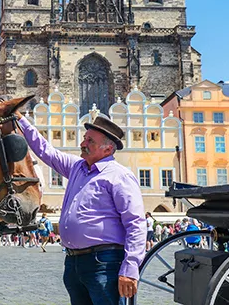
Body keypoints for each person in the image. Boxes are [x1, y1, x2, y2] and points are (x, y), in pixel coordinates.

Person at [18, 113, 146, 305]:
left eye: (90, 141)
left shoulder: (119, 176)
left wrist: (130, 268)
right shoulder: (77, 167)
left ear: (108, 148)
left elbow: (136, 223)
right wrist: (21, 120)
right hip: (73, 262)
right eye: (84, 138)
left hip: (104, 262)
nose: (82, 144)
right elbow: (46, 151)